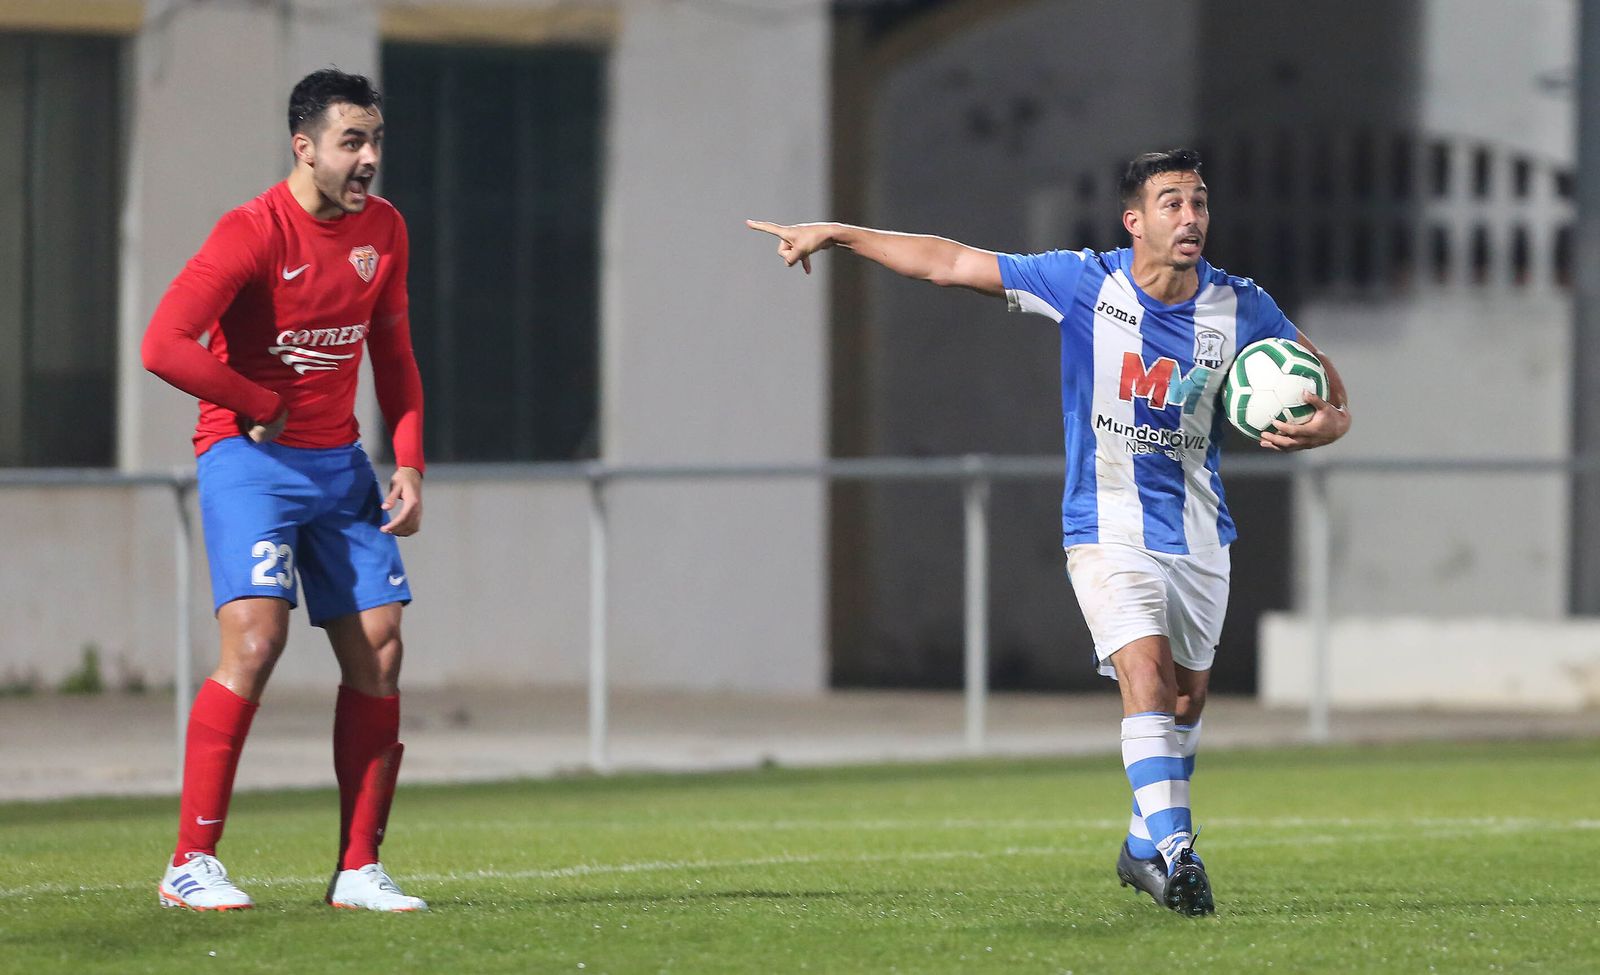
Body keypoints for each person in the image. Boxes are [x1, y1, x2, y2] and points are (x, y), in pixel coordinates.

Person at [747, 148, 1350, 916]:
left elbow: (1322, 381)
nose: (1192, 218)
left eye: (1199, 203)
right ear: (1135, 221)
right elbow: (951, 262)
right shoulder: (1084, 282)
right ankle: (1176, 854)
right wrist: (835, 232)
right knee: (1147, 678)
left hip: (1198, 530)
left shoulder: (1243, 306)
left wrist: (1333, 421)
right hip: (1104, 523)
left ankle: (1140, 845)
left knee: (1189, 700)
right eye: (1172, 204)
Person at [142, 68, 428, 912]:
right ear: (303, 147)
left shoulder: (385, 229)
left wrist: (407, 459)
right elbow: (164, 344)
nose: (369, 157)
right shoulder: (251, 231)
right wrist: (257, 401)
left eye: (374, 139)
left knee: (380, 648)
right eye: (352, 141)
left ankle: (358, 867)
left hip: (340, 464)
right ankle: (190, 860)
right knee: (257, 643)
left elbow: (396, 354)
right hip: (249, 463)